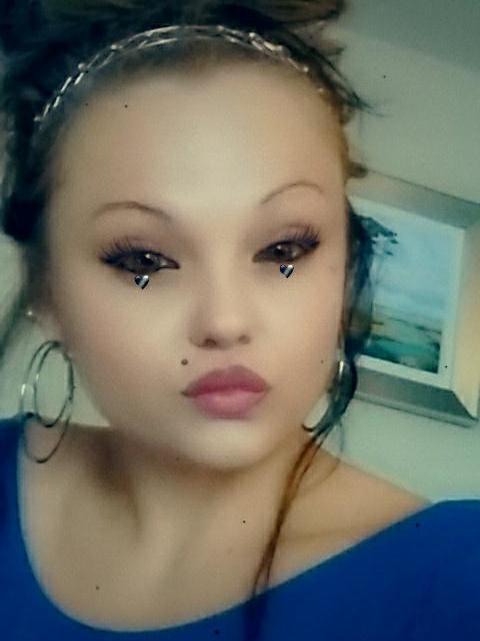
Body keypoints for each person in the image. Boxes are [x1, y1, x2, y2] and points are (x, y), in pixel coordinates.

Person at [0, 1, 479, 640]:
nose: (225, 321)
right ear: (46, 290)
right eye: (143, 260)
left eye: (284, 250)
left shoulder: (456, 581)